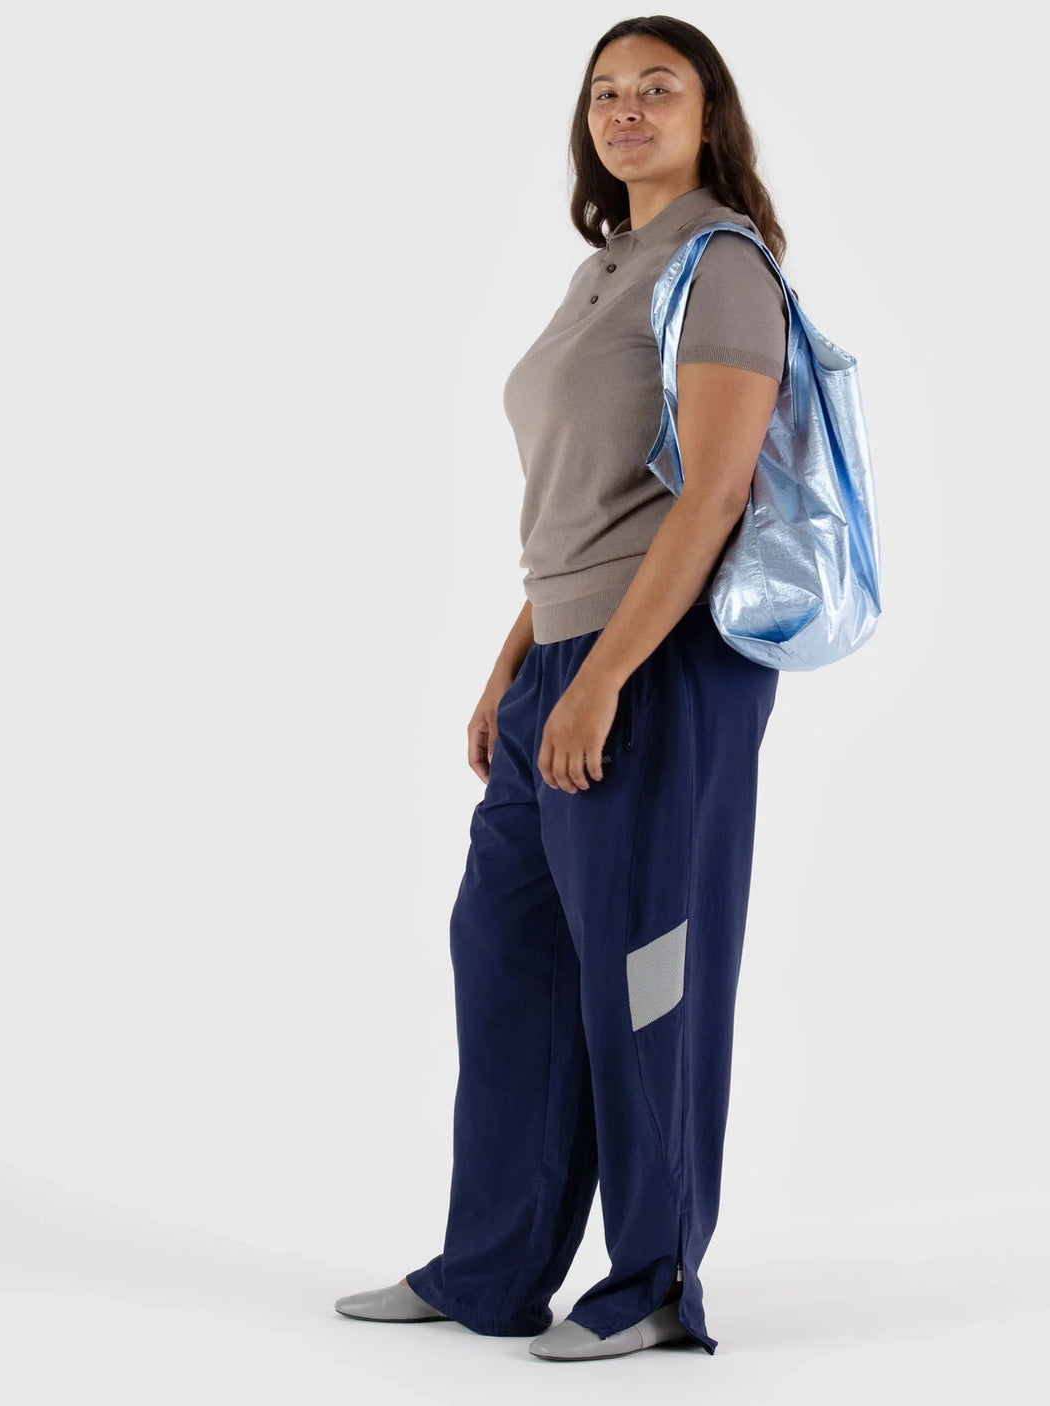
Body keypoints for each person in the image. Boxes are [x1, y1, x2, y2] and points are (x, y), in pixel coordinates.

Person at [335, 16, 791, 1360]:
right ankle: (492, 1264)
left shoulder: (718, 266)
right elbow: (586, 509)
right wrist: (512, 671)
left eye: (659, 87)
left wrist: (596, 679)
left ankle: (652, 1277)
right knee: (511, 961)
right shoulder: (608, 268)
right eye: (605, 90)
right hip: (564, 669)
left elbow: (707, 499)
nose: (627, 108)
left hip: (657, 675)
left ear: (710, 116)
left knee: (644, 980)